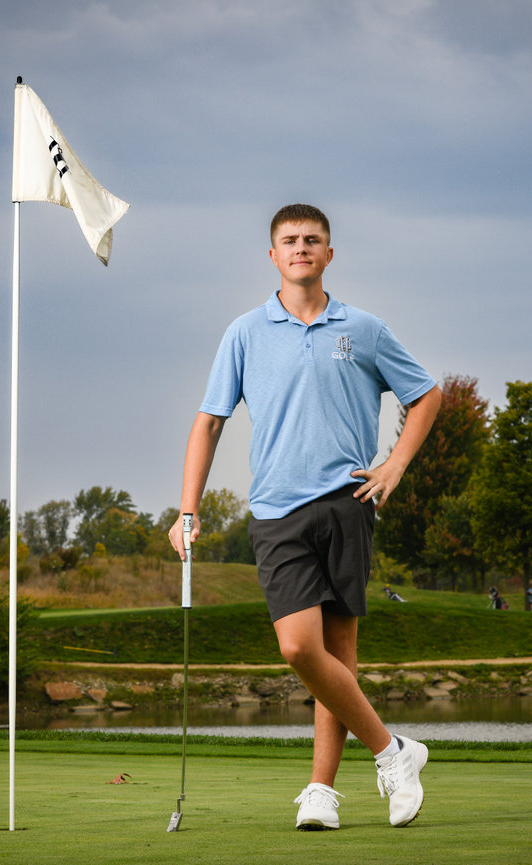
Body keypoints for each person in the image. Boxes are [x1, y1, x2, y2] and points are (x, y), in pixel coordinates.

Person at [168, 204, 442, 831]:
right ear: (273, 255)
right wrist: (188, 510)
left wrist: (395, 464)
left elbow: (425, 394)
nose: (301, 248)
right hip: (275, 511)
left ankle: (321, 791)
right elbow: (209, 422)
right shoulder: (244, 332)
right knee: (299, 647)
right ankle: (393, 751)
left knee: (338, 655)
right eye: (289, 241)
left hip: (348, 503)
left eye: (312, 240)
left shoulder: (364, 329)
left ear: (329, 253)